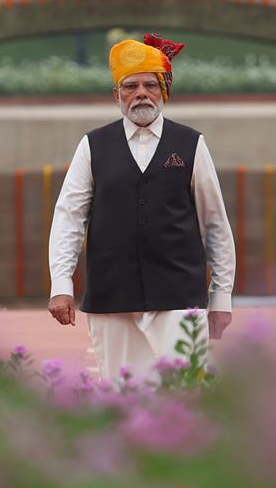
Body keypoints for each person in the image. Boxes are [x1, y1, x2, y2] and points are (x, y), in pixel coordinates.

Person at [48, 33, 236, 380]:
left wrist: (221, 297)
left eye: (150, 84)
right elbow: (69, 217)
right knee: (123, 393)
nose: (141, 94)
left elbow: (215, 224)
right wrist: (61, 285)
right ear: (116, 94)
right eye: (130, 86)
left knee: (187, 388)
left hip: (179, 295)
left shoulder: (191, 144)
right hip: (111, 296)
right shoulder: (93, 145)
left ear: (164, 90)